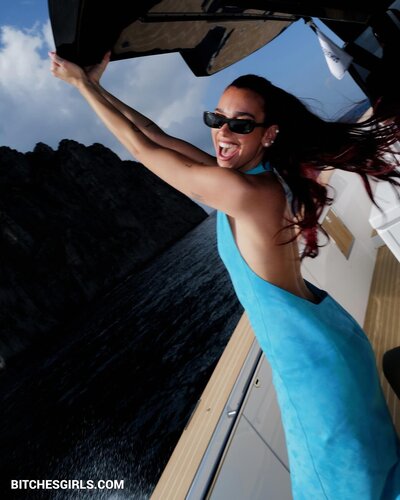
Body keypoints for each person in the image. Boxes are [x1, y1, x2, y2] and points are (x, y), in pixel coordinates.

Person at [49, 51, 400, 499]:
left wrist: (80, 86)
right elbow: (155, 134)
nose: (222, 132)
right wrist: (98, 87)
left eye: (241, 124)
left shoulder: (241, 190)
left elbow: (141, 150)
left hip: (311, 365)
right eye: (217, 119)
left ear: (269, 134)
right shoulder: (255, 177)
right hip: (322, 341)